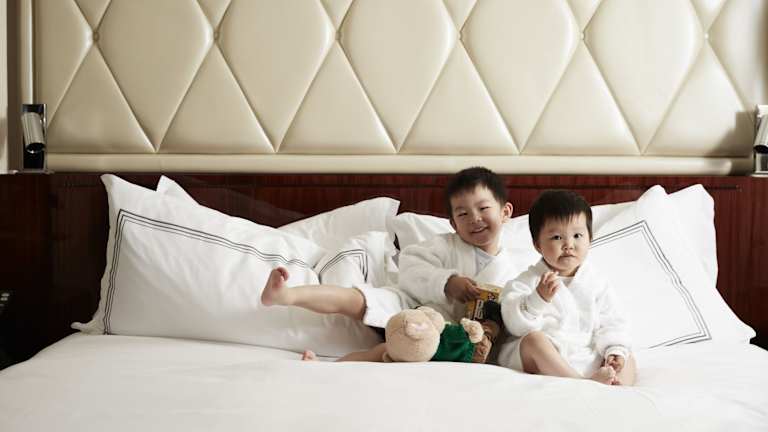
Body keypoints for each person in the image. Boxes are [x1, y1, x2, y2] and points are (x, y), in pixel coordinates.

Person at [261, 166, 520, 362]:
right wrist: (446, 282)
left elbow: (514, 317)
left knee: (386, 352)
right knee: (358, 299)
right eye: (463, 213)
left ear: (505, 212)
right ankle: (288, 295)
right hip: (410, 305)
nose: (474, 218)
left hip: (446, 338)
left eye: (483, 208)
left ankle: (330, 367)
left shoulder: (513, 270)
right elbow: (410, 266)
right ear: (453, 223)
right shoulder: (443, 245)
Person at [498, 190, 636, 385]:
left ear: (590, 238)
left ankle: (617, 389)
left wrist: (615, 351)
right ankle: (581, 384)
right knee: (533, 341)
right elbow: (514, 324)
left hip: (586, 355)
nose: (568, 245)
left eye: (577, 235)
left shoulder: (596, 282)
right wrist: (538, 299)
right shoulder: (528, 281)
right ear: (537, 244)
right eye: (556, 237)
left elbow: (613, 322)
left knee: (627, 356)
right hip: (547, 356)